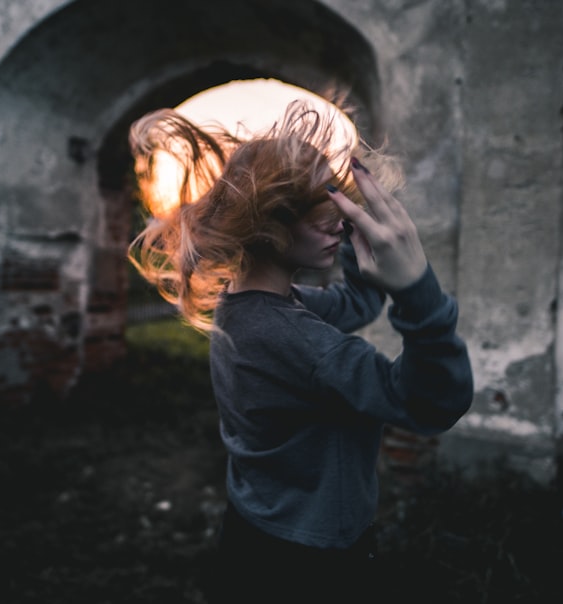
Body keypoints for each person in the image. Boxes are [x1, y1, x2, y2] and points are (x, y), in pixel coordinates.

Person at [128, 99, 474, 603]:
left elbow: (355, 303)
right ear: (269, 225)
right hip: (308, 563)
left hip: (258, 529)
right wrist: (416, 289)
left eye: (340, 209)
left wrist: (359, 240)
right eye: (323, 215)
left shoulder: (246, 305)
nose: (338, 222)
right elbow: (431, 402)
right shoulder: (293, 337)